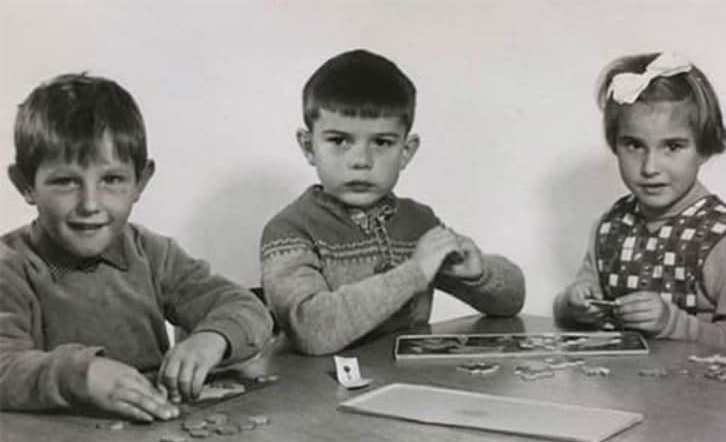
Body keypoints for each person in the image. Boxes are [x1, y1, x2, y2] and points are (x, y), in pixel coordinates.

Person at [0, 73, 274, 422]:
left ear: (140, 182)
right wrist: (80, 375)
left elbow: (247, 308)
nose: (90, 203)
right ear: (25, 185)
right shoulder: (10, 269)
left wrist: (212, 338)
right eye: (66, 182)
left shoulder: (153, 254)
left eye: (112, 180)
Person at [259, 49, 525, 355]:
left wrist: (480, 274)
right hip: (313, 395)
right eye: (338, 141)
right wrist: (414, 272)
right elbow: (311, 330)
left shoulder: (417, 223)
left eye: (382, 143)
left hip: (398, 390)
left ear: (407, 151)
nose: (361, 160)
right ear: (308, 147)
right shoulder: (288, 231)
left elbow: (512, 301)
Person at [553, 52, 726, 348]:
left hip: (698, 391)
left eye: (673, 147)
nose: (650, 168)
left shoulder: (725, 240)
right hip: (616, 388)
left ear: (703, 149)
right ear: (615, 145)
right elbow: (571, 313)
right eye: (634, 145)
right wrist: (572, 304)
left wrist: (673, 324)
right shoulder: (610, 226)